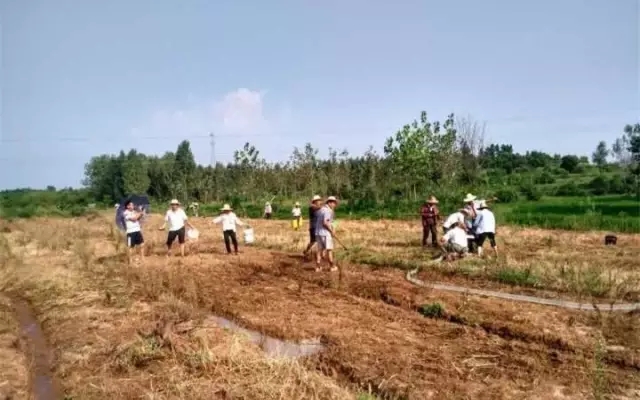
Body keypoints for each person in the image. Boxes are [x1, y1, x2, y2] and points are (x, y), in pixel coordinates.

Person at [314, 196, 339, 272]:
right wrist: (331, 231)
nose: (335, 205)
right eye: (334, 203)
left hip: (318, 232)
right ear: (330, 202)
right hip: (325, 233)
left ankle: (318, 267)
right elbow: (325, 223)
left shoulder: (321, 209)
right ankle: (332, 266)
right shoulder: (328, 211)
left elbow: (331, 221)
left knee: (319, 250)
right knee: (329, 250)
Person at [123, 200, 145, 264]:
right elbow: (134, 219)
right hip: (130, 232)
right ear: (127, 206)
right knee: (130, 247)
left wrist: (141, 213)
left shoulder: (134, 211)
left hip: (137, 230)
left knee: (142, 244)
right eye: (131, 205)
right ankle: (130, 261)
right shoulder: (125, 213)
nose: (133, 206)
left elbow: (138, 218)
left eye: (133, 205)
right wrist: (140, 212)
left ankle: (142, 258)